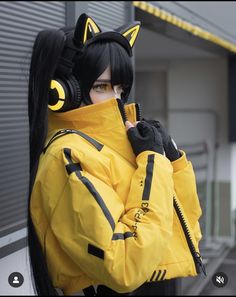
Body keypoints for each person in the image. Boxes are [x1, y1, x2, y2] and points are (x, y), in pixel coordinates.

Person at [27, 13, 205, 296]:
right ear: (63, 91)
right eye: (102, 87)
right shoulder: (67, 156)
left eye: (121, 88)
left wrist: (174, 161)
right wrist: (153, 163)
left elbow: (186, 230)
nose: (117, 99)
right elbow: (123, 266)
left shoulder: (115, 146)